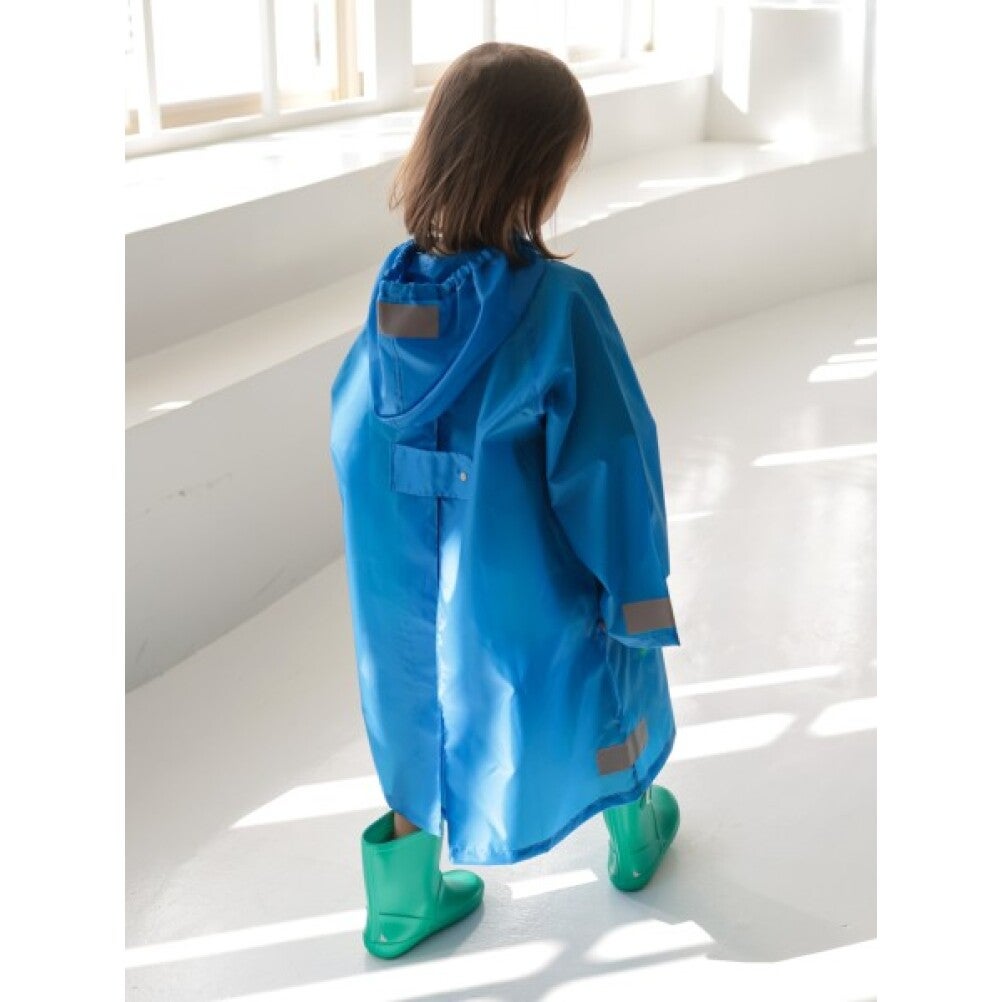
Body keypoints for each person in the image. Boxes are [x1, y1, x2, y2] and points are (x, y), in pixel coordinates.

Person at [329, 41, 682, 961]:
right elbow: (611, 461)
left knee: (412, 704)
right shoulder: (560, 305)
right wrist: (637, 591)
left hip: (408, 586)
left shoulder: (396, 301)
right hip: (530, 576)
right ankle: (636, 833)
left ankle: (401, 904)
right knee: (608, 673)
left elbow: (358, 432)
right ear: (540, 169)